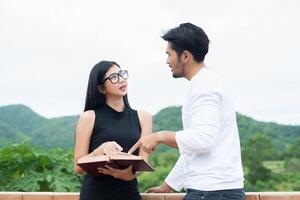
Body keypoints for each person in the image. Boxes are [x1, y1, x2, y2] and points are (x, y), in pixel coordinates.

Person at [129, 23, 245, 200]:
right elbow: (194, 148)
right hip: (212, 191)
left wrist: (159, 136)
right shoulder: (206, 82)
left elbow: (202, 138)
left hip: (212, 192)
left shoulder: (204, 86)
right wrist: (168, 186)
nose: (167, 60)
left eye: (169, 54)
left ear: (185, 56)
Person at [74, 60, 152, 200]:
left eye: (121, 74)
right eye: (114, 77)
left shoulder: (144, 117)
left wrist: (131, 175)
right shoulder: (88, 117)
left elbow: (142, 163)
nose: (121, 80)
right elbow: (78, 167)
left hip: (129, 194)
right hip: (95, 195)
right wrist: (99, 150)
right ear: (101, 88)